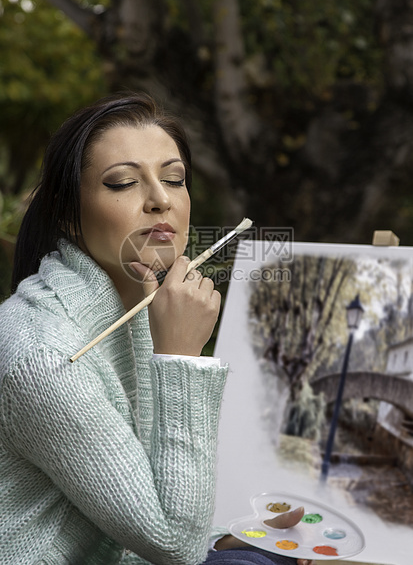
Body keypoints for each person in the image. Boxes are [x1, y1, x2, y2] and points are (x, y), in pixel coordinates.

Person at [0, 93, 313, 565]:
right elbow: (172, 545)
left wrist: (226, 537)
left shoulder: (146, 305)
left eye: (174, 179)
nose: (161, 199)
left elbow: (153, 496)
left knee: (271, 553)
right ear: (67, 212)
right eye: (123, 182)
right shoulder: (41, 355)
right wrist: (181, 357)